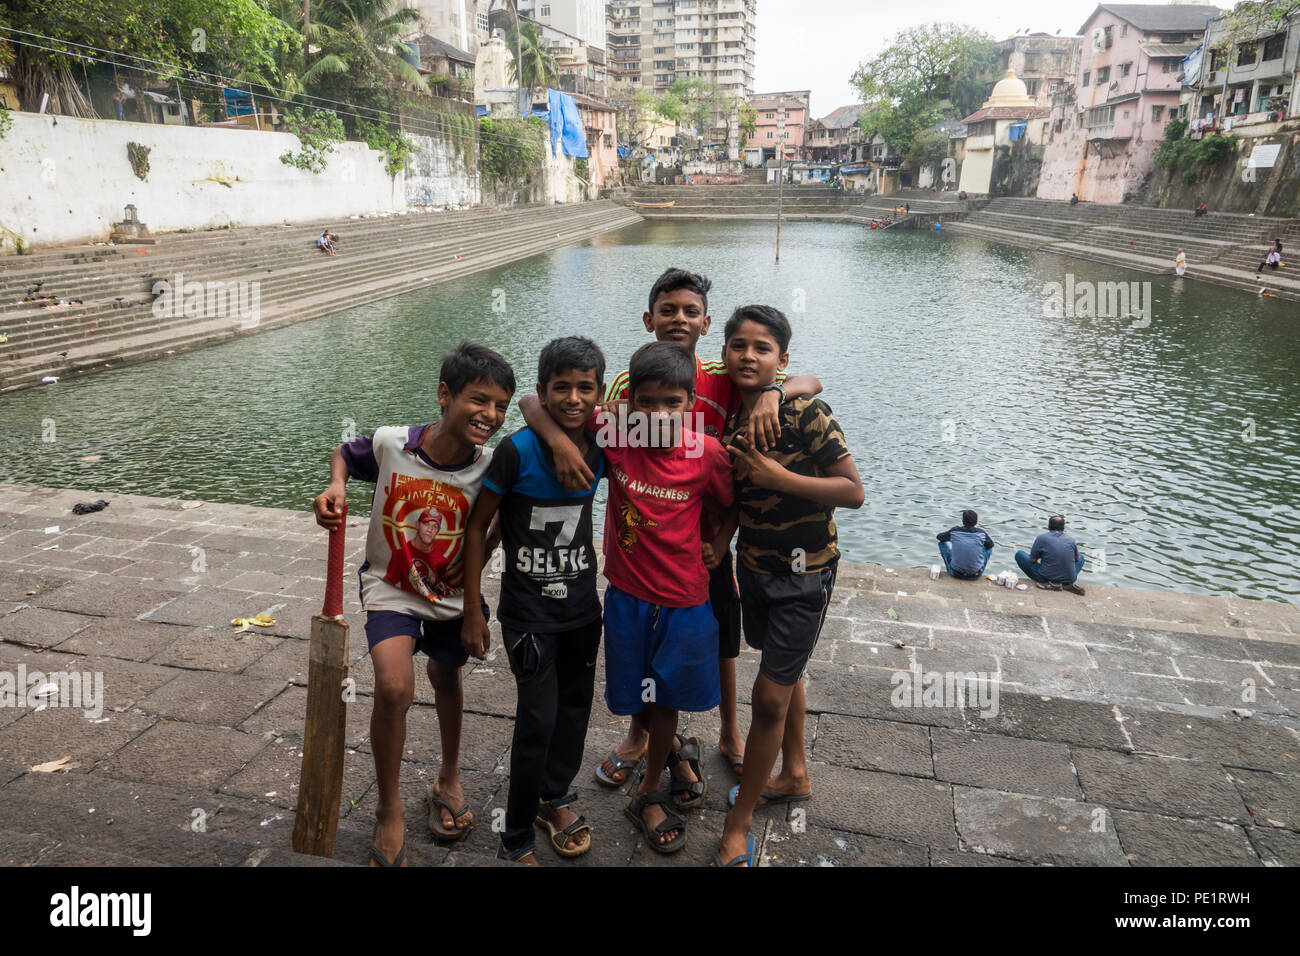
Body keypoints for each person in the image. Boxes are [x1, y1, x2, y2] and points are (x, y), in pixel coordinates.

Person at [519, 267, 823, 790]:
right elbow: (541, 402)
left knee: (719, 639)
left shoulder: (724, 376)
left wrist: (773, 393)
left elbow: (807, 380)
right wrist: (565, 443)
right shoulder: (626, 391)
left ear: (706, 323)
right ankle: (644, 739)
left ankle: (728, 733)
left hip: (703, 547)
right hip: (641, 553)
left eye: (689, 312)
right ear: (649, 319)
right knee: (640, 658)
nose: (678, 319)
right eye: (668, 310)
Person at [311, 343, 515, 867]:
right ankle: (388, 806)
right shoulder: (391, 445)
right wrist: (335, 486)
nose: (490, 416)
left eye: (501, 406)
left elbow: (493, 528)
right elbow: (344, 453)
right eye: (479, 400)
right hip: (390, 589)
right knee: (394, 686)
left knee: (447, 679)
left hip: (451, 600)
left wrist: (474, 605)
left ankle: (448, 776)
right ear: (444, 395)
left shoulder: (491, 465)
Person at [712, 305, 864, 867]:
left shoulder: (807, 413)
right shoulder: (732, 424)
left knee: (769, 695)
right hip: (753, 570)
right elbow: (739, 499)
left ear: (782, 359)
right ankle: (794, 773)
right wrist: (721, 539)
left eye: (762, 348)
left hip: (806, 574)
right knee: (781, 667)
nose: (748, 356)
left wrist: (780, 475)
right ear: (724, 353)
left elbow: (853, 491)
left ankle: (739, 821)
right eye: (738, 346)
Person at [461, 337, 606, 864]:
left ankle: (555, 796)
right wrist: (471, 606)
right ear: (542, 392)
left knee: (574, 711)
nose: (573, 398)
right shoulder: (516, 451)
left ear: (600, 393)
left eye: (585, 388)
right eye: (560, 388)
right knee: (537, 719)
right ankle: (515, 835)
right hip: (528, 615)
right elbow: (478, 527)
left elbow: (661, 426)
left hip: (583, 611)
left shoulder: (603, 444)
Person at [597, 341, 735, 853]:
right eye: (646, 401)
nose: (658, 414)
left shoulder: (708, 453)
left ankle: (650, 792)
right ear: (629, 399)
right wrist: (605, 413)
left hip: (684, 600)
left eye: (672, 403)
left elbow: (730, 503)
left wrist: (718, 543)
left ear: (692, 402)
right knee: (638, 694)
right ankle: (675, 752)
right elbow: (535, 404)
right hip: (628, 596)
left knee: (669, 698)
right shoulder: (613, 435)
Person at [1015, 515, 1086, 595]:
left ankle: (1049, 584)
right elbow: (1077, 559)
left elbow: (1032, 560)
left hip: (1045, 577)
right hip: (1070, 579)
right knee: (1081, 557)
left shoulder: (1041, 538)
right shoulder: (1071, 540)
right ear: (1063, 528)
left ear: (1048, 527)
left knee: (1019, 554)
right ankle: (1066, 584)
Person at [936, 510, 994, 579]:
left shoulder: (955, 531)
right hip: (976, 575)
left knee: (941, 544)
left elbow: (939, 537)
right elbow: (990, 545)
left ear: (963, 521)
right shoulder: (982, 534)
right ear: (976, 522)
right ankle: (976, 566)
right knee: (989, 549)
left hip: (955, 573)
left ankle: (953, 566)